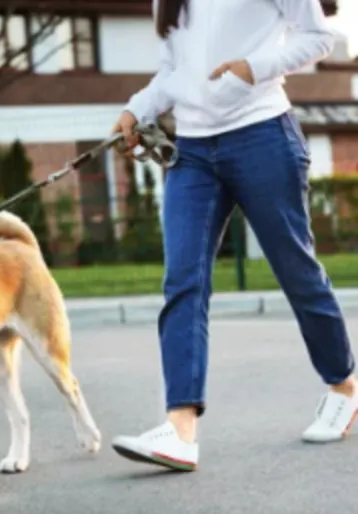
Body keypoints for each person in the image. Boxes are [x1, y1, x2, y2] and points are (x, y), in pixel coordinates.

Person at [110, 0, 358, 472]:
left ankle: (344, 384)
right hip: (194, 150)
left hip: (262, 135)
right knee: (183, 280)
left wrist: (254, 67)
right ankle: (180, 428)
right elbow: (173, 70)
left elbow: (318, 37)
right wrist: (136, 108)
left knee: (296, 272)